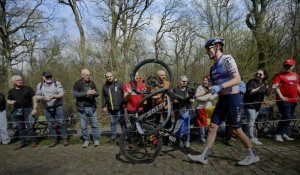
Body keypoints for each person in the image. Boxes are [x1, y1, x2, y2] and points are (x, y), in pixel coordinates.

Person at [188, 37, 259, 166]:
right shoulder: (213, 68)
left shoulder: (227, 59)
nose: (207, 52)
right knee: (212, 127)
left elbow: (237, 79)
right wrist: (195, 94)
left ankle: (252, 155)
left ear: (217, 46)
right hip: (222, 100)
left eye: (208, 49)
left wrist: (221, 86)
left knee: (236, 129)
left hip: (233, 98)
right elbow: (211, 89)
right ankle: (204, 156)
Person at [35, 71, 68, 147]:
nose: (49, 78)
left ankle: (65, 139)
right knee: (50, 124)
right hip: (47, 107)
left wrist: (54, 97)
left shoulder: (57, 83)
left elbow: (61, 93)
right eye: (47, 77)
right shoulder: (39, 85)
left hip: (58, 106)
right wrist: (42, 97)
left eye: (50, 76)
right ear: (43, 77)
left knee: (62, 122)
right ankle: (54, 140)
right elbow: (37, 96)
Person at [272, 58, 300, 142]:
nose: (287, 67)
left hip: (294, 100)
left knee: (290, 117)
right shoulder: (278, 75)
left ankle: (284, 133)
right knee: (286, 117)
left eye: (289, 66)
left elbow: (297, 85)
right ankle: (278, 134)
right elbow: (276, 87)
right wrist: (281, 97)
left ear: (293, 66)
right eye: (286, 65)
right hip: (283, 100)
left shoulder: (295, 75)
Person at [7, 75, 37, 149]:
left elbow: (34, 98)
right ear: (13, 82)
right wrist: (10, 102)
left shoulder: (28, 88)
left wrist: (35, 108)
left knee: (30, 126)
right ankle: (22, 142)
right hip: (17, 111)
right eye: (17, 80)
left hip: (28, 109)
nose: (20, 81)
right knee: (20, 127)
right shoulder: (11, 91)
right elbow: (8, 100)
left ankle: (33, 142)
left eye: (20, 79)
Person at [73, 69, 100, 148]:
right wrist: (86, 93)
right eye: (87, 75)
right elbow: (74, 94)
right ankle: (86, 140)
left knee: (94, 125)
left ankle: (96, 140)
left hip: (92, 107)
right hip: (82, 108)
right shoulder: (77, 83)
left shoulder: (92, 83)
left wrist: (94, 93)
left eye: (89, 75)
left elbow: (98, 93)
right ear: (82, 75)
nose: (88, 76)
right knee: (83, 126)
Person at [244, 69, 271, 145]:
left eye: (260, 74)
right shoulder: (251, 82)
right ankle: (251, 137)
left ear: (264, 76)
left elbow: (267, 94)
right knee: (251, 120)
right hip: (249, 104)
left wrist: (271, 88)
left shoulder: (264, 84)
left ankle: (246, 135)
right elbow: (250, 92)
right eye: (257, 74)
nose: (258, 75)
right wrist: (259, 88)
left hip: (258, 106)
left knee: (251, 121)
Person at [102, 71, 126, 142]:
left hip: (119, 107)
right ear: (106, 78)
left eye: (110, 76)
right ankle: (113, 136)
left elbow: (125, 93)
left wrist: (125, 103)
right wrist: (103, 106)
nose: (109, 78)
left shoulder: (119, 83)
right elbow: (103, 97)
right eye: (107, 77)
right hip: (110, 108)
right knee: (112, 122)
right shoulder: (105, 86)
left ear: (113, 76)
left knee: (122, 122)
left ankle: (124, 136)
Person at [172, 75, 194, 147]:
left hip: (187, 109)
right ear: (179, 81)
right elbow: (174, 100)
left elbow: (192, 101)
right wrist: (182, 99)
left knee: (187, 125)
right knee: (179, 125)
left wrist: (190, 99)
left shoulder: (189, 89)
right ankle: (180, 141)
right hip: (178, 110)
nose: (185, 82)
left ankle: (187, 140)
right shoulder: (175, 89)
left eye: (186, 81)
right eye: (183, 81)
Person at [195, 76, 217, 144]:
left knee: (209, 123)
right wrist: (206, 98)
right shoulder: (199, 88)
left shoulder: (212, 87)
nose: (205, 81)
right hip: (201, 107)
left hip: (209, 107)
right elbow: (196, 97)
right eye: (204, 80)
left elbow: (215, 95)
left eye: (206, 80)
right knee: (202, 123)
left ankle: (208, 137)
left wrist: (212, 97)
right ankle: (202, 138)